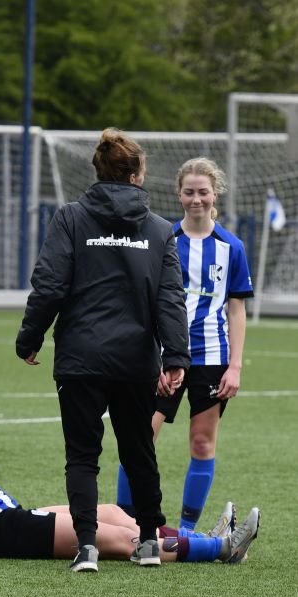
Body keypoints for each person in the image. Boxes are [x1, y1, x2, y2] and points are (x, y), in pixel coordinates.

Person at [0, 359, 260, 568]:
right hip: (1, 532)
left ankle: (205, 537)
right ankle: (220, 548)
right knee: (120, 540)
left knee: (114, 513)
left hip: (9, 519)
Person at [16, 127, 191, 572]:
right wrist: (176, 357)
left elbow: (49, 285)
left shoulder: (70, 219)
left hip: (80, 359)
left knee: (82, 455)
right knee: (139, 451)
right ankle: (148, 542)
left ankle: (87, 548)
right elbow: (170, 298)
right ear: (137, 175)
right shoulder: (159, 230)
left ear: (98, 171)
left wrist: (30, 337)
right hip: (135, 362)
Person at [117, 157, 254, 531]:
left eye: (203, 192)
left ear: (215, 194)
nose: (196, 199)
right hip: (162, 357)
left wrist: (235, 366)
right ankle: (126, 524)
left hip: (211, 358)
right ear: (179, 194)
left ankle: (186, 532)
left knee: (202, 443)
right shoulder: (163, 239)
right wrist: (153, 356)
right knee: (141, 439)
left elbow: (236, 310)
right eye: (189, 192)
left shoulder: (232, 247)